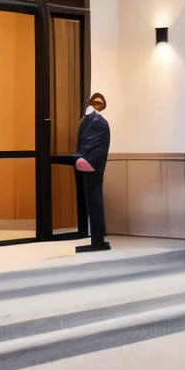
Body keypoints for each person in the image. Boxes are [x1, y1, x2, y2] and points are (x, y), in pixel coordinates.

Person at [74, 92, 111, 252]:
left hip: (90, 165)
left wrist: (84, 158)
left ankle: (97, 238)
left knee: (94, 199)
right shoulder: (91, 120)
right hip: (88, 164)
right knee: (93, 199)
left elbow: (92, 147)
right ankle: (97, 238)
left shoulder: (97, 121)